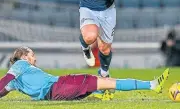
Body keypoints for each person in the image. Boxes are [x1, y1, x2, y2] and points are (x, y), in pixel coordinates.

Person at [33, 0, 135, 91]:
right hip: (88, 8)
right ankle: (85, 46)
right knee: (90, 36)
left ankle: (104, 73)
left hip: (108, 9)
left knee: (105, 48)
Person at [0, 47, 169, 101]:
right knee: (108, 81)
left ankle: (100, 92)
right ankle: (152, 85)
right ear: (23, 57)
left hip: (56, 93)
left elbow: (3, 89)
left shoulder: (15, 82)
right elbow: (5, 80)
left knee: (101, 82)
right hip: (60, 86)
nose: (34, 58)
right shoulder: (20, 65)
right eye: (32, 55)